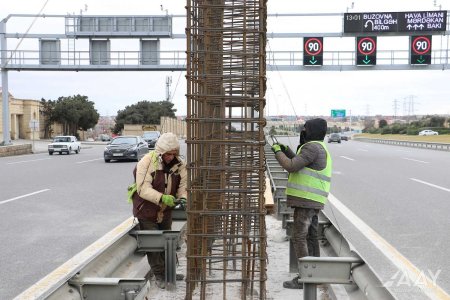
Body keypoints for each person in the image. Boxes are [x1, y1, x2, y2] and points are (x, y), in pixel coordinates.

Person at [271, 118, 332, 289]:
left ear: (312, 130)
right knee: (311, 237)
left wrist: (277, 151)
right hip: (313, 200)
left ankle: (304, 277)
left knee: (299, 236)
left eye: (305, 129)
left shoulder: (312, 147)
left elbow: (291, 166)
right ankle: (315, 274)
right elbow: (301, 163)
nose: (303, 131)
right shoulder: (319, 146)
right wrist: (287, 150)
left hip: (306, 200)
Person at [133, 132, 187, 289]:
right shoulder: (147, 162)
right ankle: (159, 275)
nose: (170, 157)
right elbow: (143, 188)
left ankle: (169, 272)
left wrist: (183, 197)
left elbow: (184, 185)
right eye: (167, 154)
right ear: (161, 152)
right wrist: (162, 197)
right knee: (154, 246)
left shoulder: (179, 164)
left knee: (167, 244)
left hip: (165, 211)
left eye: (173, 153)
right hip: (147, 211)